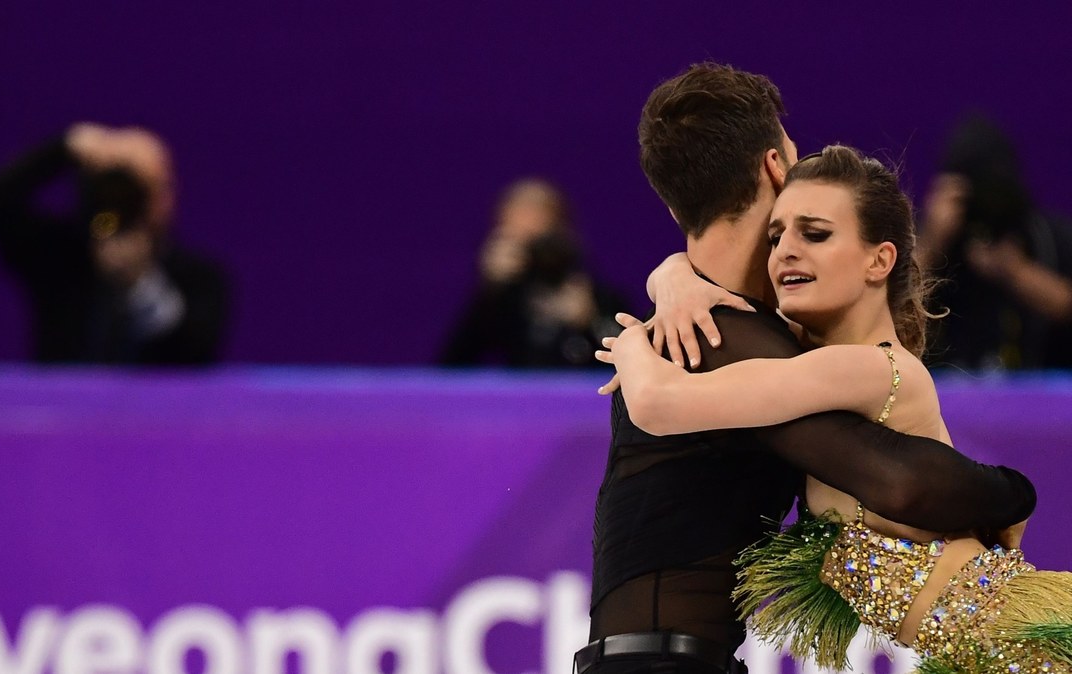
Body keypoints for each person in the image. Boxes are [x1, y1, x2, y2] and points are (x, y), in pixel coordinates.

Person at [574, 63, 1036, 674]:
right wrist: (1013, 494)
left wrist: (669, 281)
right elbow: (904, 483)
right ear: (773, 167)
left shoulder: (737, 328)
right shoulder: (719, 336)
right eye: (793, 158)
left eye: (815, 233)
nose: (792, 245)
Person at [0, 123, 229, 365]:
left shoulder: (200, 277)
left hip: (158, 411)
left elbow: (195, 355)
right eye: (117, 183)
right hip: (65, 409)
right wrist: (64, 148)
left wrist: (139, 285)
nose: (125, 198)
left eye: (147, 185)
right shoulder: (59, 257)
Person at [917, 114, 1072, 370]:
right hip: (945, 384)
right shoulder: (928, 237)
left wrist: (1016, 272)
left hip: (1044, 387)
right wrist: (932, 245)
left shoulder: (1047, 236)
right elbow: (887, 305)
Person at [439, 178, 627, 368]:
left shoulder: (592, 293)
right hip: (525, 397)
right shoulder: (503, 299)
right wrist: (490, 289)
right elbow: (452, 366)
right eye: (518, 237)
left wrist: (589, 321)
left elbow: (629, 366)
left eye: (539, 237)